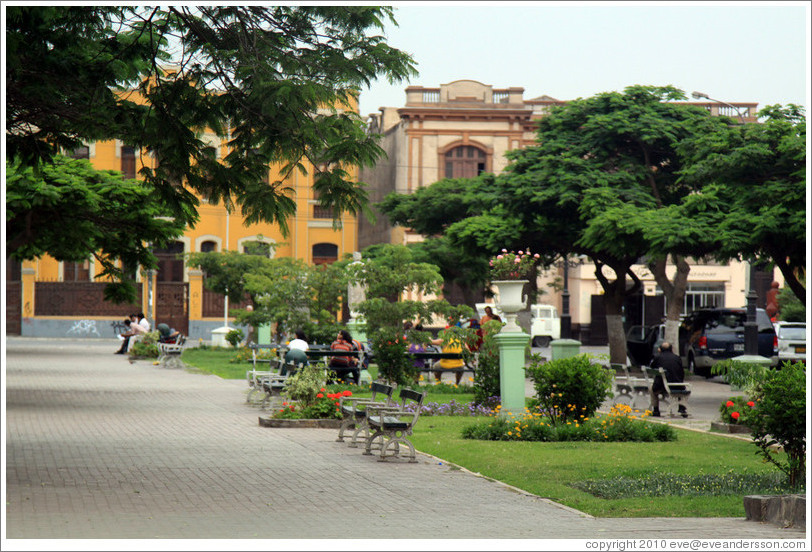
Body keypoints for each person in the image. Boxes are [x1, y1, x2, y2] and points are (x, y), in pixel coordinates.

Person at [649, 341, 687, 418]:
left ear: (660, 349)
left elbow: (652, 366)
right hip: (677, 386)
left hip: (661, 387)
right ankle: (682, 408)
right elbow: (681, 372)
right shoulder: (677, 358)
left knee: (651, 389)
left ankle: (656, 410)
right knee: (683, 386)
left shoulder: (658, 357)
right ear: (671, 349)